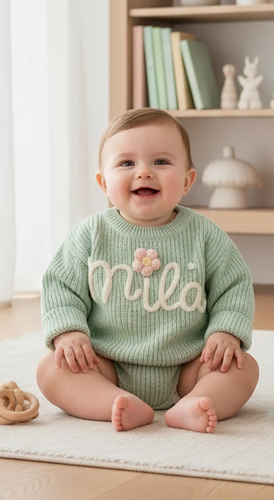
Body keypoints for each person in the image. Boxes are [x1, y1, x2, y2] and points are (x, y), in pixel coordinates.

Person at [36, 109, 259, 433]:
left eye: (161, 162)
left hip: (188, 365)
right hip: (105, 362)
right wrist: (68, 332)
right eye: (127, 163)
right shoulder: (90, 234)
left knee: (244, 369)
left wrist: (226, 332)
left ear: (186, 180)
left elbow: (234, 286)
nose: (144, 173)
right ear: (104, 183)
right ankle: (111, 402)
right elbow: (59, 285)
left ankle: (194, 404)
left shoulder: (205, 235)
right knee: (50, 370)